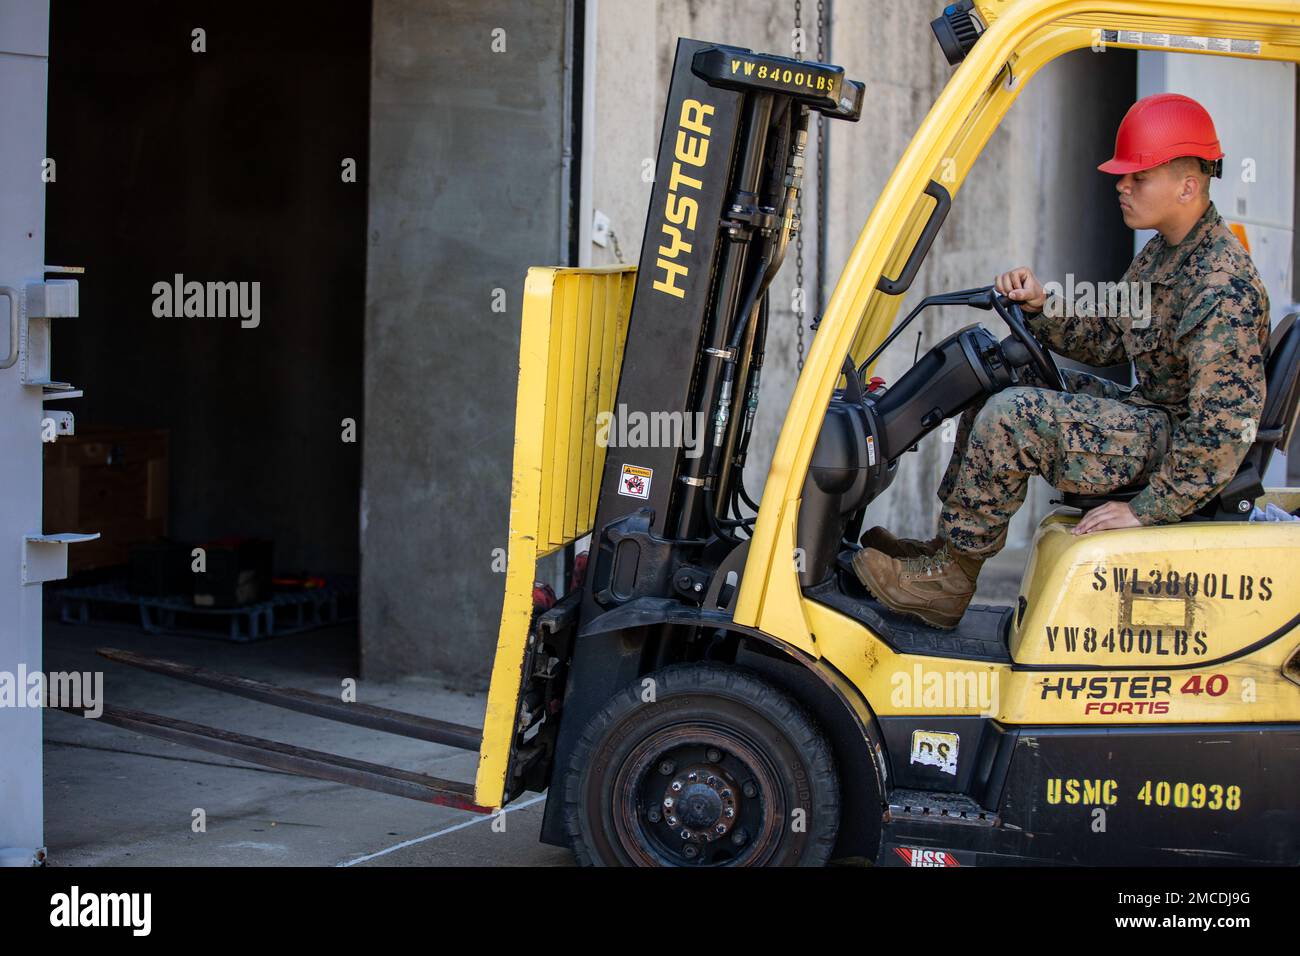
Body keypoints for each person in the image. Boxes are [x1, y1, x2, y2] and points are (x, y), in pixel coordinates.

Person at [854, 93, 1271, 629]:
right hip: (1153, 418)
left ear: (1187, 186)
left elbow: (1221, 432)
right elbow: (1111, 339)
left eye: (1137, 177)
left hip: (1176, 443)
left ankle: (951, 580)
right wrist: (1042, 307)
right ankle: (948, 548)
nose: (1121, 185)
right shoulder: (1165, 252)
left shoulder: (1221, 287)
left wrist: (1147, 510)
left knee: (1016, 414)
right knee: (999, 372)